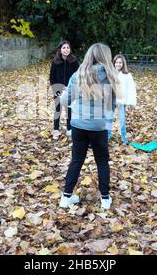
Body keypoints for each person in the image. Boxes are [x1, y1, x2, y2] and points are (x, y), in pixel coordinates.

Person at [59, 43, 121, 210]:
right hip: (99, 125)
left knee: (76, 160)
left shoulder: (78, 75)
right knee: (102, 161)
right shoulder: (111, 76)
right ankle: (105, 199)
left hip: (78, 124)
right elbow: (111, 105)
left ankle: (66, 197)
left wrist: (66, 93)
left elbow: (65, 101)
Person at [49, 40, 79, 140]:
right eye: (64, 48)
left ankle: (70, 131)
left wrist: (71, 88)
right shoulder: (55, 62)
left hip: (70, 90)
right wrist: (58, 89)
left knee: (69, 110)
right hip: (58, 89)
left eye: (68, 48)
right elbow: (52, 77)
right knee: (58, 109)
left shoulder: (74, 61)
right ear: (60, 49)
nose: (66, 50)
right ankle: (56, 130)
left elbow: (77, 76)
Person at [107, 54, 136, 144]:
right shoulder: (110, 73)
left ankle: (123, 137)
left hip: (121, 100)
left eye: (120, 63)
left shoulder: (127, 75)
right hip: (111, 99)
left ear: (123, 64)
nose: (118, 64)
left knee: (122, 119)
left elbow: (131, 88)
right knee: (109, 118)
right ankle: (107, 135)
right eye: (116, 62)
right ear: (114, 63)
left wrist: (130, 101)